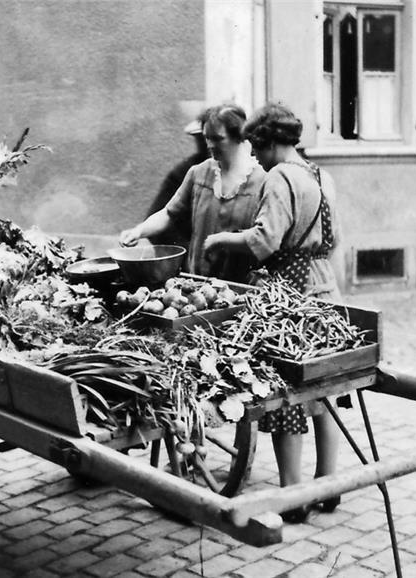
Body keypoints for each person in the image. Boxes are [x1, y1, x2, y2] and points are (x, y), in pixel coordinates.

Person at [203, 102, 342, 523]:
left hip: (289, 295)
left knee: (284, 394)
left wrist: (220, 240)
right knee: (326, 389)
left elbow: (264, 241)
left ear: (268, 143)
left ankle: (292, 496)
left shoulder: (281, 176)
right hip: (324, 288)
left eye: (258, 148)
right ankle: (329, 484)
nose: (257, 158)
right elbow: (334, 240)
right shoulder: (321, 175)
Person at [120, 104, 263, 283]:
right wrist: (138, 231)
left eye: (218, 138)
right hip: (197, 281)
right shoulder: (199, 173)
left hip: (241, 285)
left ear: (239, 137)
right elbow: (168, 214)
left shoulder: (262, 181)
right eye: (206, 138)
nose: (210, 145)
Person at [145, 109, 211, 248]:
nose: (211, 146)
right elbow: (159, 220)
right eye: (204, 139)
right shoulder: (185, 172)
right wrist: (188, 249)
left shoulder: (251, 170)